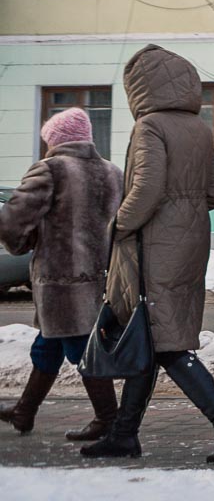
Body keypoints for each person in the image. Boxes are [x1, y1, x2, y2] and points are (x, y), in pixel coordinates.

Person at [84, 45, 214, 463]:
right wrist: (186, 210)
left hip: (153, 244)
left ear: (139, 87)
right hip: (190, 240)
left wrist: (118, 225)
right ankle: (124, 434)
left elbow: (146, 190)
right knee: (153, 333)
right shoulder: (199, 125)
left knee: (164, 339)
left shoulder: (149, 126)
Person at [0, 107, 122, 440]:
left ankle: (109, 419)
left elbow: (12, 218)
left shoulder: (51, 169)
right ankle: (25, 412)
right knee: (49, 345)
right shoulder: (113, 172)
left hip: (59, 279)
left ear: (56, 140)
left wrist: (22, 242)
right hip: (97, 276)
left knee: (81, 348)